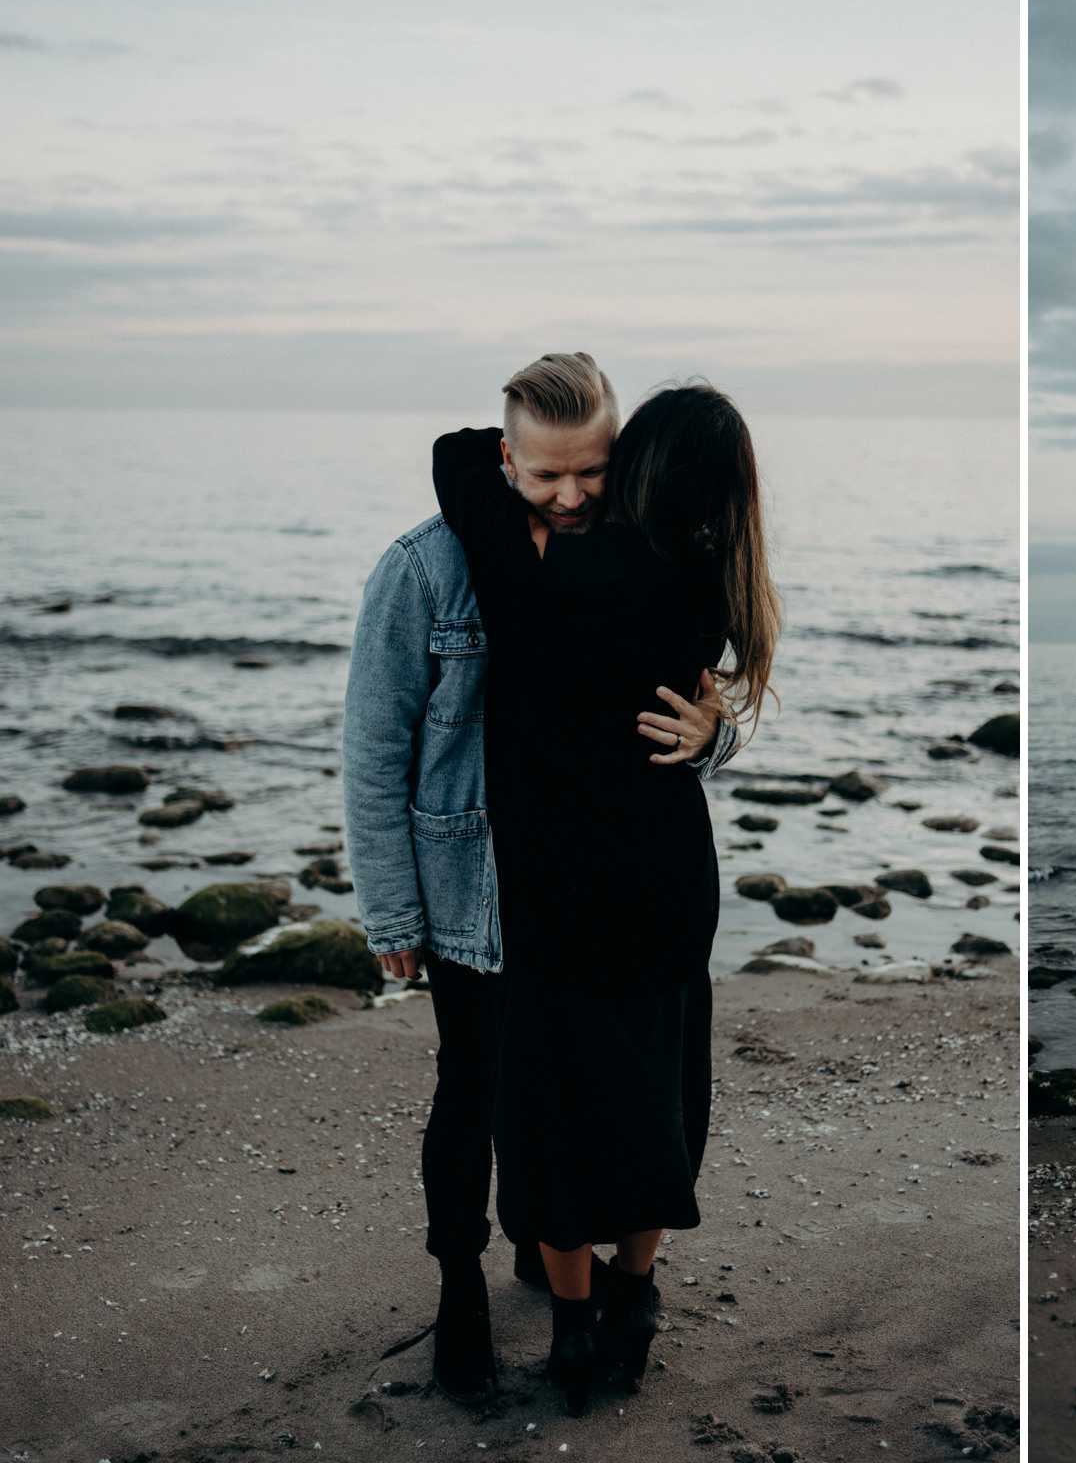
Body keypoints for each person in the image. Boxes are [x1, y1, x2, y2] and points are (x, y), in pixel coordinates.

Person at [341, 351, 741, 1406]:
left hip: (575, 901)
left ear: (620, 458)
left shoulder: (631, 554)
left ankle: (550, 1262)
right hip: (471, 894)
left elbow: (666, 703)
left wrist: (714, 737)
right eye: (543, 474)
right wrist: (390, 908)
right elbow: (372, 751)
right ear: (506, 457)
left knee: (556, 1106)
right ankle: (458, 1286)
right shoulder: (427, 567)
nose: (569, 495)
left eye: (590, 471)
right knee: (472, 1094)